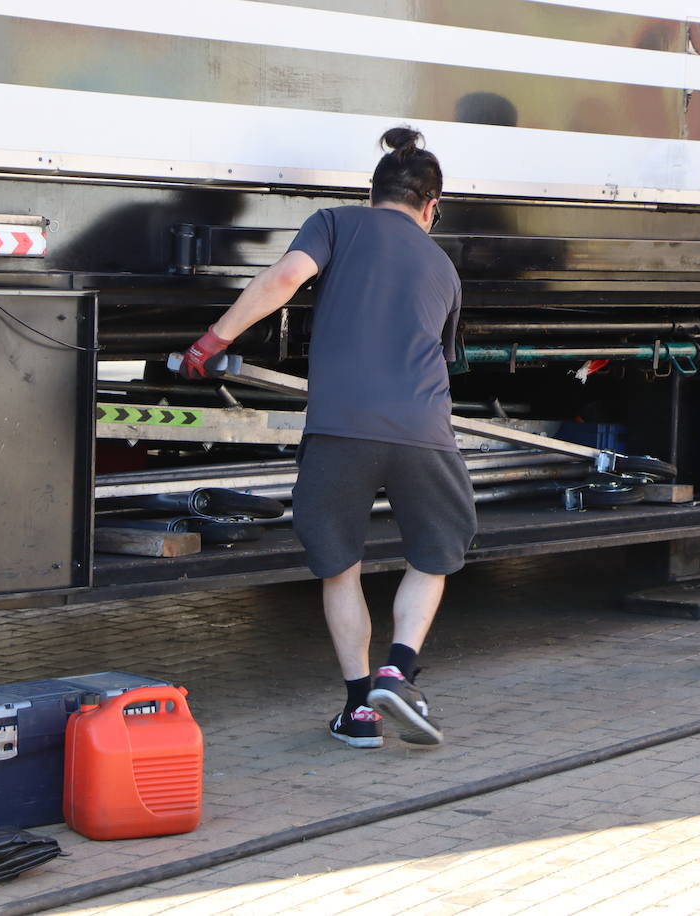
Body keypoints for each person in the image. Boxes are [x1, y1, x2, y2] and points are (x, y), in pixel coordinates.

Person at [178, 127, 471, 746]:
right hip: (424, 431)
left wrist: (212, 342)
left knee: (342, 567)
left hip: (342, 428)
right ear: (432, 207)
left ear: (373, 194)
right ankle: (400, 667)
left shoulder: (335, 223)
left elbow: (284, 280)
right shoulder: (443, 265)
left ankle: (359, 710)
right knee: (432, 556)